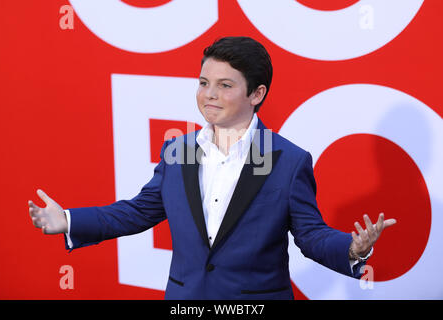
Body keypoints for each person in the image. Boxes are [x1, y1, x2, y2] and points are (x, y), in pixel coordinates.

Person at [28, 36, 396, 300]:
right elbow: (138, 211)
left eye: (224, 85)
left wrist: (352, 248)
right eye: (204, 83)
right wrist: (70, 221)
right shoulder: (177, 150)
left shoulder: (289, 160)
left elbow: (310, 235)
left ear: (257, 94)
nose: (209, 95)